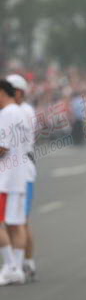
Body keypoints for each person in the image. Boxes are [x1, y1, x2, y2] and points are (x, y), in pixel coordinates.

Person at [6, 74, 37, 280]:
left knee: (19, 221)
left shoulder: (18, 111)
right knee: (17, 221)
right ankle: (24, 262)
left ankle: (23, 263)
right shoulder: (24, 110)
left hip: (20, 168)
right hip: (20, 166)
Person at [0, 80, 28, 285]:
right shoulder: (20, 113)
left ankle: (9, 266)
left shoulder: (6, 114)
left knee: (8, 224)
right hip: (19, 175)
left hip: (6, 178)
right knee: (16, 225)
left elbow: (3, 147)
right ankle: (17, 269)